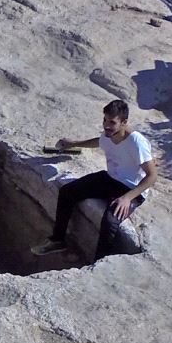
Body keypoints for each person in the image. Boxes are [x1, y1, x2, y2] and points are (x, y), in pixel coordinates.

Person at [34, 100, 157, 260]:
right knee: (67, 192)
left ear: (124, 122)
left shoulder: (136, 142)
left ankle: (98, 262)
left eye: (112, 122)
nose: (106, 125)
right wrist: (73, 144)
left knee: (109, 221)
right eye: (105, 120)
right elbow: (99, 141)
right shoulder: (109, 133)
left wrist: (127, 198)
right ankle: (58, 240)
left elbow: (152, 176)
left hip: (131, 189)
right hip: (110, 179)